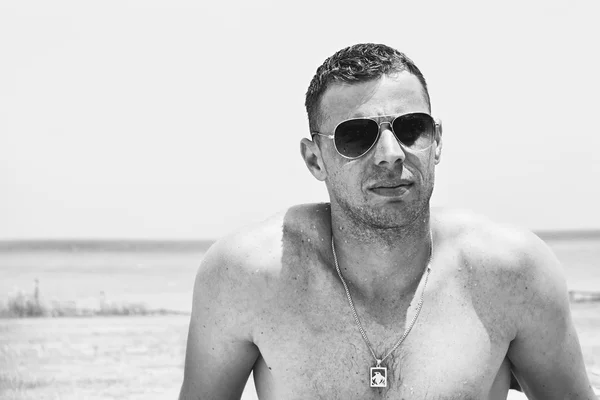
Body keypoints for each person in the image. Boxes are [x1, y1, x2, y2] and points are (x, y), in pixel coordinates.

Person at [179, 43, 596, 399]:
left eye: (412, 128)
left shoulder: (511, 272)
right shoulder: (246, 275)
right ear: (314, 159)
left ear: (437, 144)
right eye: (356, 135)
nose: (391, 154)